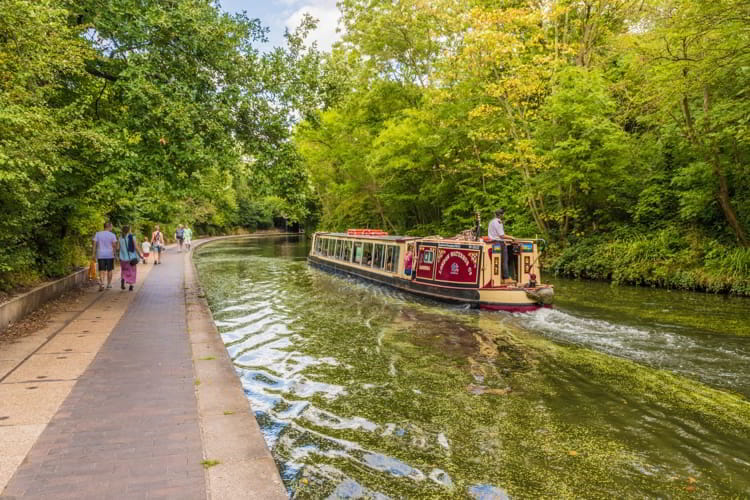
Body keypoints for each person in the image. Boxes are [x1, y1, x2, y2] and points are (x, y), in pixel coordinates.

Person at [92, 222, 117, 291]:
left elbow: (94, 244)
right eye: (111, 226)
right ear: (109, 226)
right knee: (109, 270)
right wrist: (114, 253)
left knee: (101, 270)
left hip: (100, 254)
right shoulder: (112, 235)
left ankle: (102, 283)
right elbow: (114, 246)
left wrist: (93, 254)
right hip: (109, 255)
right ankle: (108, 285)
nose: (112, 228)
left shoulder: (98, 234)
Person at [118, 225, 143, 291]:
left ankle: (123, 279)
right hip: (131, 258)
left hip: (122, 258)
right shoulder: (132, 237)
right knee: (132, 271)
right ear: (129, 230)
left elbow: (118, 248)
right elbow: (136, 247)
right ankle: (131, 285)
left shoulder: (120, 238)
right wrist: (140, 255)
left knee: (124, 270)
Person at [488, 209, 510, 280]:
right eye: (503, 214)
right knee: (504, 260)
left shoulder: (491, 222)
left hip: (493, 243)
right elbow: (501, 235)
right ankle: (506, 278)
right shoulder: (499, 222)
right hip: (499, 243)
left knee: (496, 261)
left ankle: (496, 277)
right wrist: (512, 237)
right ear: (501, 215)